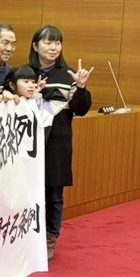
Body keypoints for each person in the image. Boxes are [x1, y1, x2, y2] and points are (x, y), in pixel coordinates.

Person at [29, 25, 94, 261]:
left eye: (57, 43)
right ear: (35, 46)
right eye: (47, 42)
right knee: (28, 189)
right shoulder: (25, 72)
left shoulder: (68, 75)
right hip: (28, 142)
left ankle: (50, 237)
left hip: (57, 142)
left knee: (53, 191)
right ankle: (27, 236)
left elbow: (81, 109)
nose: (53, 47)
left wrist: (81, 87)